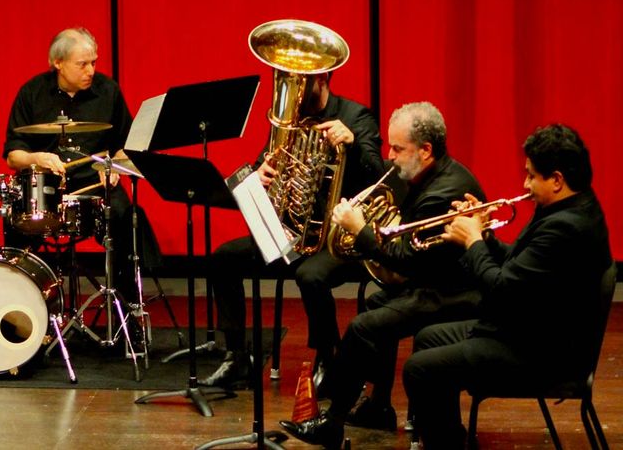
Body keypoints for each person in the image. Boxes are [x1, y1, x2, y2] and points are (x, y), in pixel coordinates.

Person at [279, 101, 486, 446]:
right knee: (376, 305)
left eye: (398, 149)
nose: (390, 156)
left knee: (364, 327)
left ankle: (332, 422)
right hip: (434, 280)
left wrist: (360, 230)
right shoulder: (426, 175)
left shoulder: (445, 191)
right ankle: (378, 405)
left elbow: (406, 260)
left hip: (454, 293)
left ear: (425, 150)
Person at [401, 124, 611, 449]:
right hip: (531, 330)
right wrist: (485, 235)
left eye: (531, 176)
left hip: (541, 354)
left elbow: (501, 290)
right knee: (428, 337)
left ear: (557, 180)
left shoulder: (566, 228)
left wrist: (472, 242)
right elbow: (518, 266)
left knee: (419, 369)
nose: (525, 185)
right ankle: (448, 437)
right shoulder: (570, 207)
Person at [205, 72, 384, 388]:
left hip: (338, 238)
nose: (295, 87)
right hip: (293, 234)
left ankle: (328, 357)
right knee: (223, 258)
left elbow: (378, 176)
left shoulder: (356, 116)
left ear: (323, 77)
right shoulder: (289, 119)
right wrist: (260, 173)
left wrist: (353, 144)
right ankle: (236, 356)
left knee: (310, 276)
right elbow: (265, 164)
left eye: (303, 80)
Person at [2, 27, 160, 306]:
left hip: (96, 185)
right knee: (16, 224)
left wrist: (115, 167)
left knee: (126, 218)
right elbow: (13, 156)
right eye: (82, 64)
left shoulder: (108, 90)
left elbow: (128, 145)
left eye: (93, 63)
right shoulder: (32, 92)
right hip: (47, 188)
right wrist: (38, 158)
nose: (91, 71)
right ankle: (24, 305)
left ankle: (126, 306)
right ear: (58, 63)